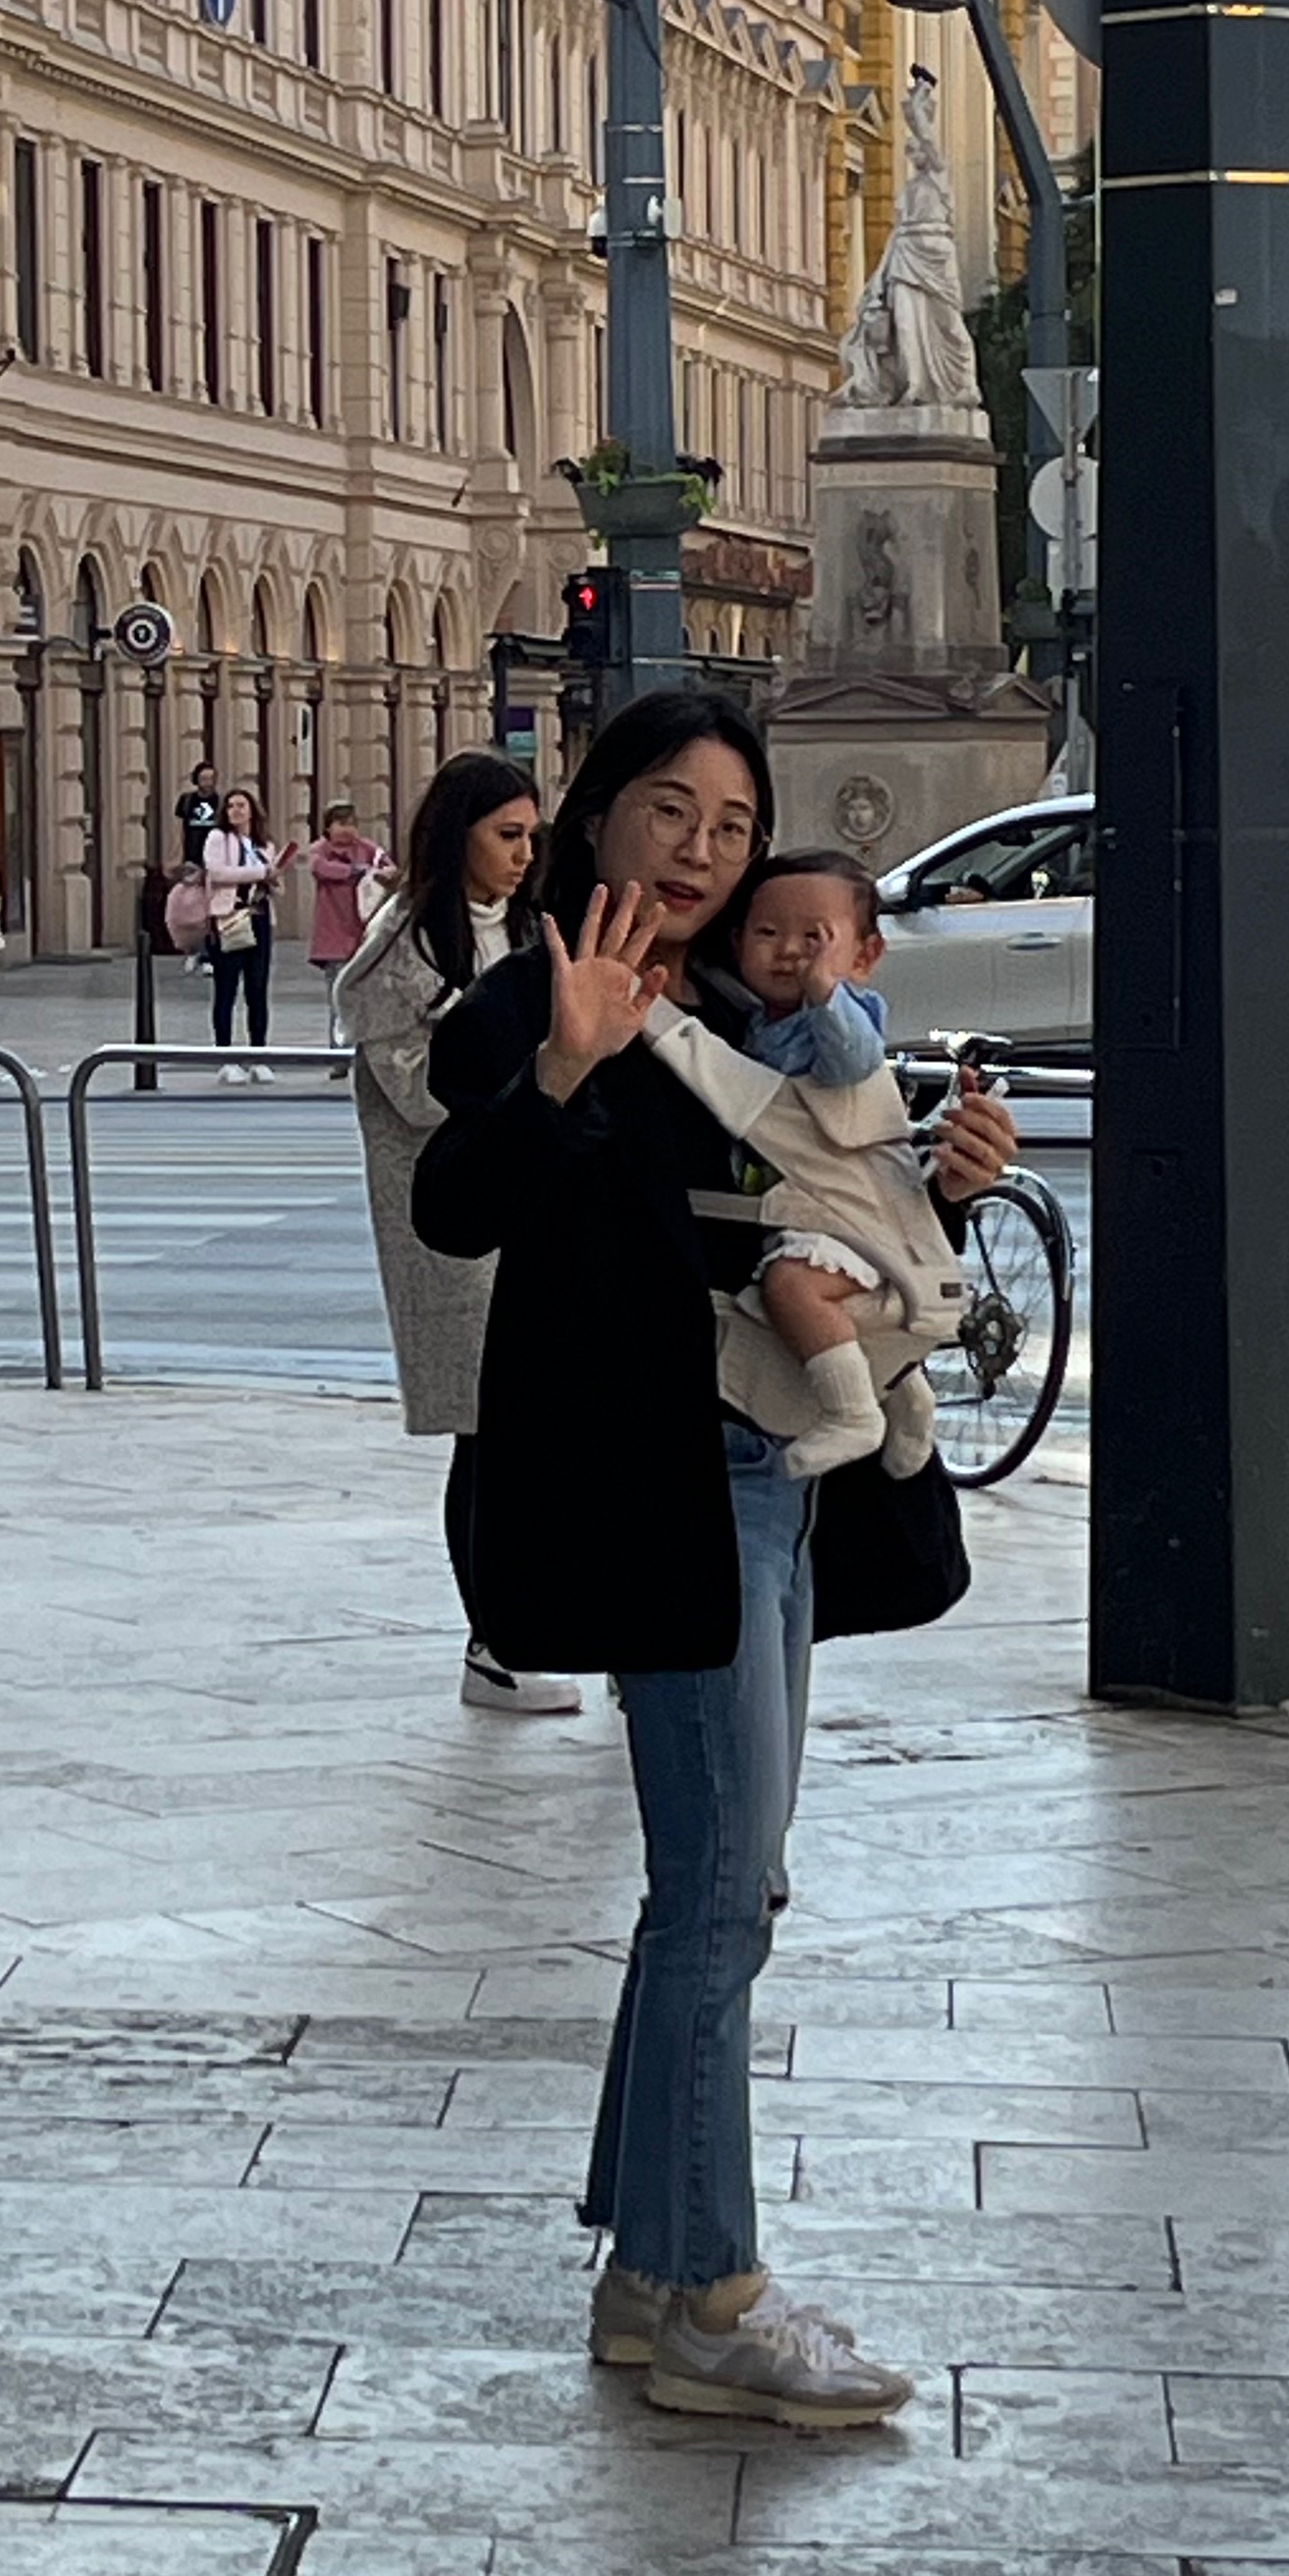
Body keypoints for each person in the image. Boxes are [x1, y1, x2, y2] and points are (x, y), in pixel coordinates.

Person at [414, 686, 1015, 2435]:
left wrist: (942, 1189)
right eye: (668, 809)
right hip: (652, 1483)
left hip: (770, 1480)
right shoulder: (541, 990)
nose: (698, 848)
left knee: (725, 1888)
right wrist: (563, 1062)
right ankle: (703, 2294)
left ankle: (649, 2269)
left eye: (732, 825)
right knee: (716, 1894)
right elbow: (458, 1204)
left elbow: (802, 1221)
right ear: (598, 815)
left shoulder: (760, 1007)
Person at [337, 753, 574, 1718]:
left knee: (545, 1424)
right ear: (458, 833)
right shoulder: (402, 945)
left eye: (531, 837)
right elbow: (417, 1086)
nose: (523, 855)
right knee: (485, 1431)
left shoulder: (532, 927)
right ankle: (494, 1639)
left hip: (544, 1196)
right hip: (457, 1211)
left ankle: (562, 1623)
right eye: (506, 835)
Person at [639, 849, 966, 1478]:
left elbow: (852, 1062)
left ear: (866, 955)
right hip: (822, 1208)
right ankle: (904, 1393)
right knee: (808, 1313)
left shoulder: (844, 1014)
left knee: (792, 1287)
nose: (790, 951)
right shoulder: (761, 1019)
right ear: (737, 943)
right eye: (768, 933)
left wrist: (825, 995)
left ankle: (852, 1413)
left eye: (814, 938)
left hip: (844, 1218)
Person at [203, 787, 287, 1079]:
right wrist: (261, 873)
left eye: (241, 805)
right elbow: (218, 873)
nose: (236, 811)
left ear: (252, 811)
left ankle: (259, 1056)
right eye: (231, 806)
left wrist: (273, 876)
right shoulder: (218, 838)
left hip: (258, 917)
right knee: (226, 989)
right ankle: (225, 1057)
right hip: (230, 917)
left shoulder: (264, 845)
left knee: (257, 989)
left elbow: (275, 884)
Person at [304, 802, 392, 987]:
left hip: (362, 927)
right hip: (334, 927)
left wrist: (381, 873)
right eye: (341, 824)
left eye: (351, 824)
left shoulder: (367, 848)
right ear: (328, 827)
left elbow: (389, 868)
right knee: (338, 983)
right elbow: (320, 868)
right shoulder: (320, 849)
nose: (347, 829)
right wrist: (353, 871)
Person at [174, 758, 222, 875]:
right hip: (191, 854)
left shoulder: (221, 802)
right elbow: (178, 829)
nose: (208, 783)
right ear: (196, 780)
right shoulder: (187, 800)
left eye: (211, 779)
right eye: (204, 779)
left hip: (215, 854)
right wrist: (177, 854)